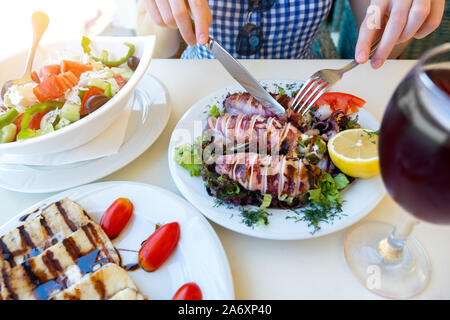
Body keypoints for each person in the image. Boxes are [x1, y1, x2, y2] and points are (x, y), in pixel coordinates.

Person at [143, 0, 445, 68]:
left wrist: (398, 20)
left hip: (308, 71)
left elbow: (376, 39)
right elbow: (157, 48)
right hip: (198, 74)